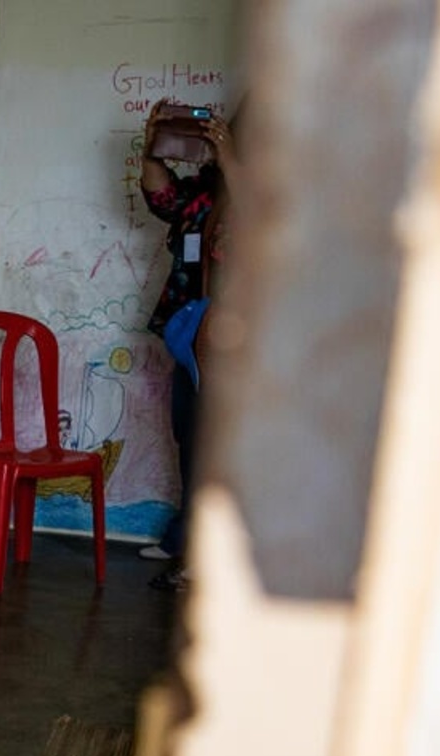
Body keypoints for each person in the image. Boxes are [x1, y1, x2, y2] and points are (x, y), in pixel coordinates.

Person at [137, 99, 241, 589]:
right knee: (192, 442)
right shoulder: (202, 195)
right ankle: (187, 539)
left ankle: (209, 556)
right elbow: (161, 196)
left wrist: (232, 163)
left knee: (219, 449)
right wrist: (154, 142)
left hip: (238, 344)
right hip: (191, 337)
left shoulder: (265, 193)